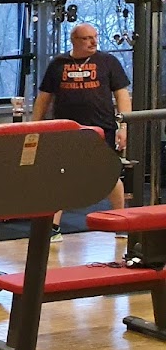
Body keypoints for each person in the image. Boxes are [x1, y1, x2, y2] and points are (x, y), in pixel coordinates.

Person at [32, 22, 131, 241]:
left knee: (109, 174)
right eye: (87, 38)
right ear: (74, 41)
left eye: (95, 37)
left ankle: (121, 221)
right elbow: (43, 98)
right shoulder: (58, 64)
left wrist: (124, 126)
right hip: (66, 130)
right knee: (59, 176)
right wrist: (34, 127)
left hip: (101, 128)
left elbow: (122, 95)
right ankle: (52, 227)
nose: (93, 42)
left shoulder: (108, 62)